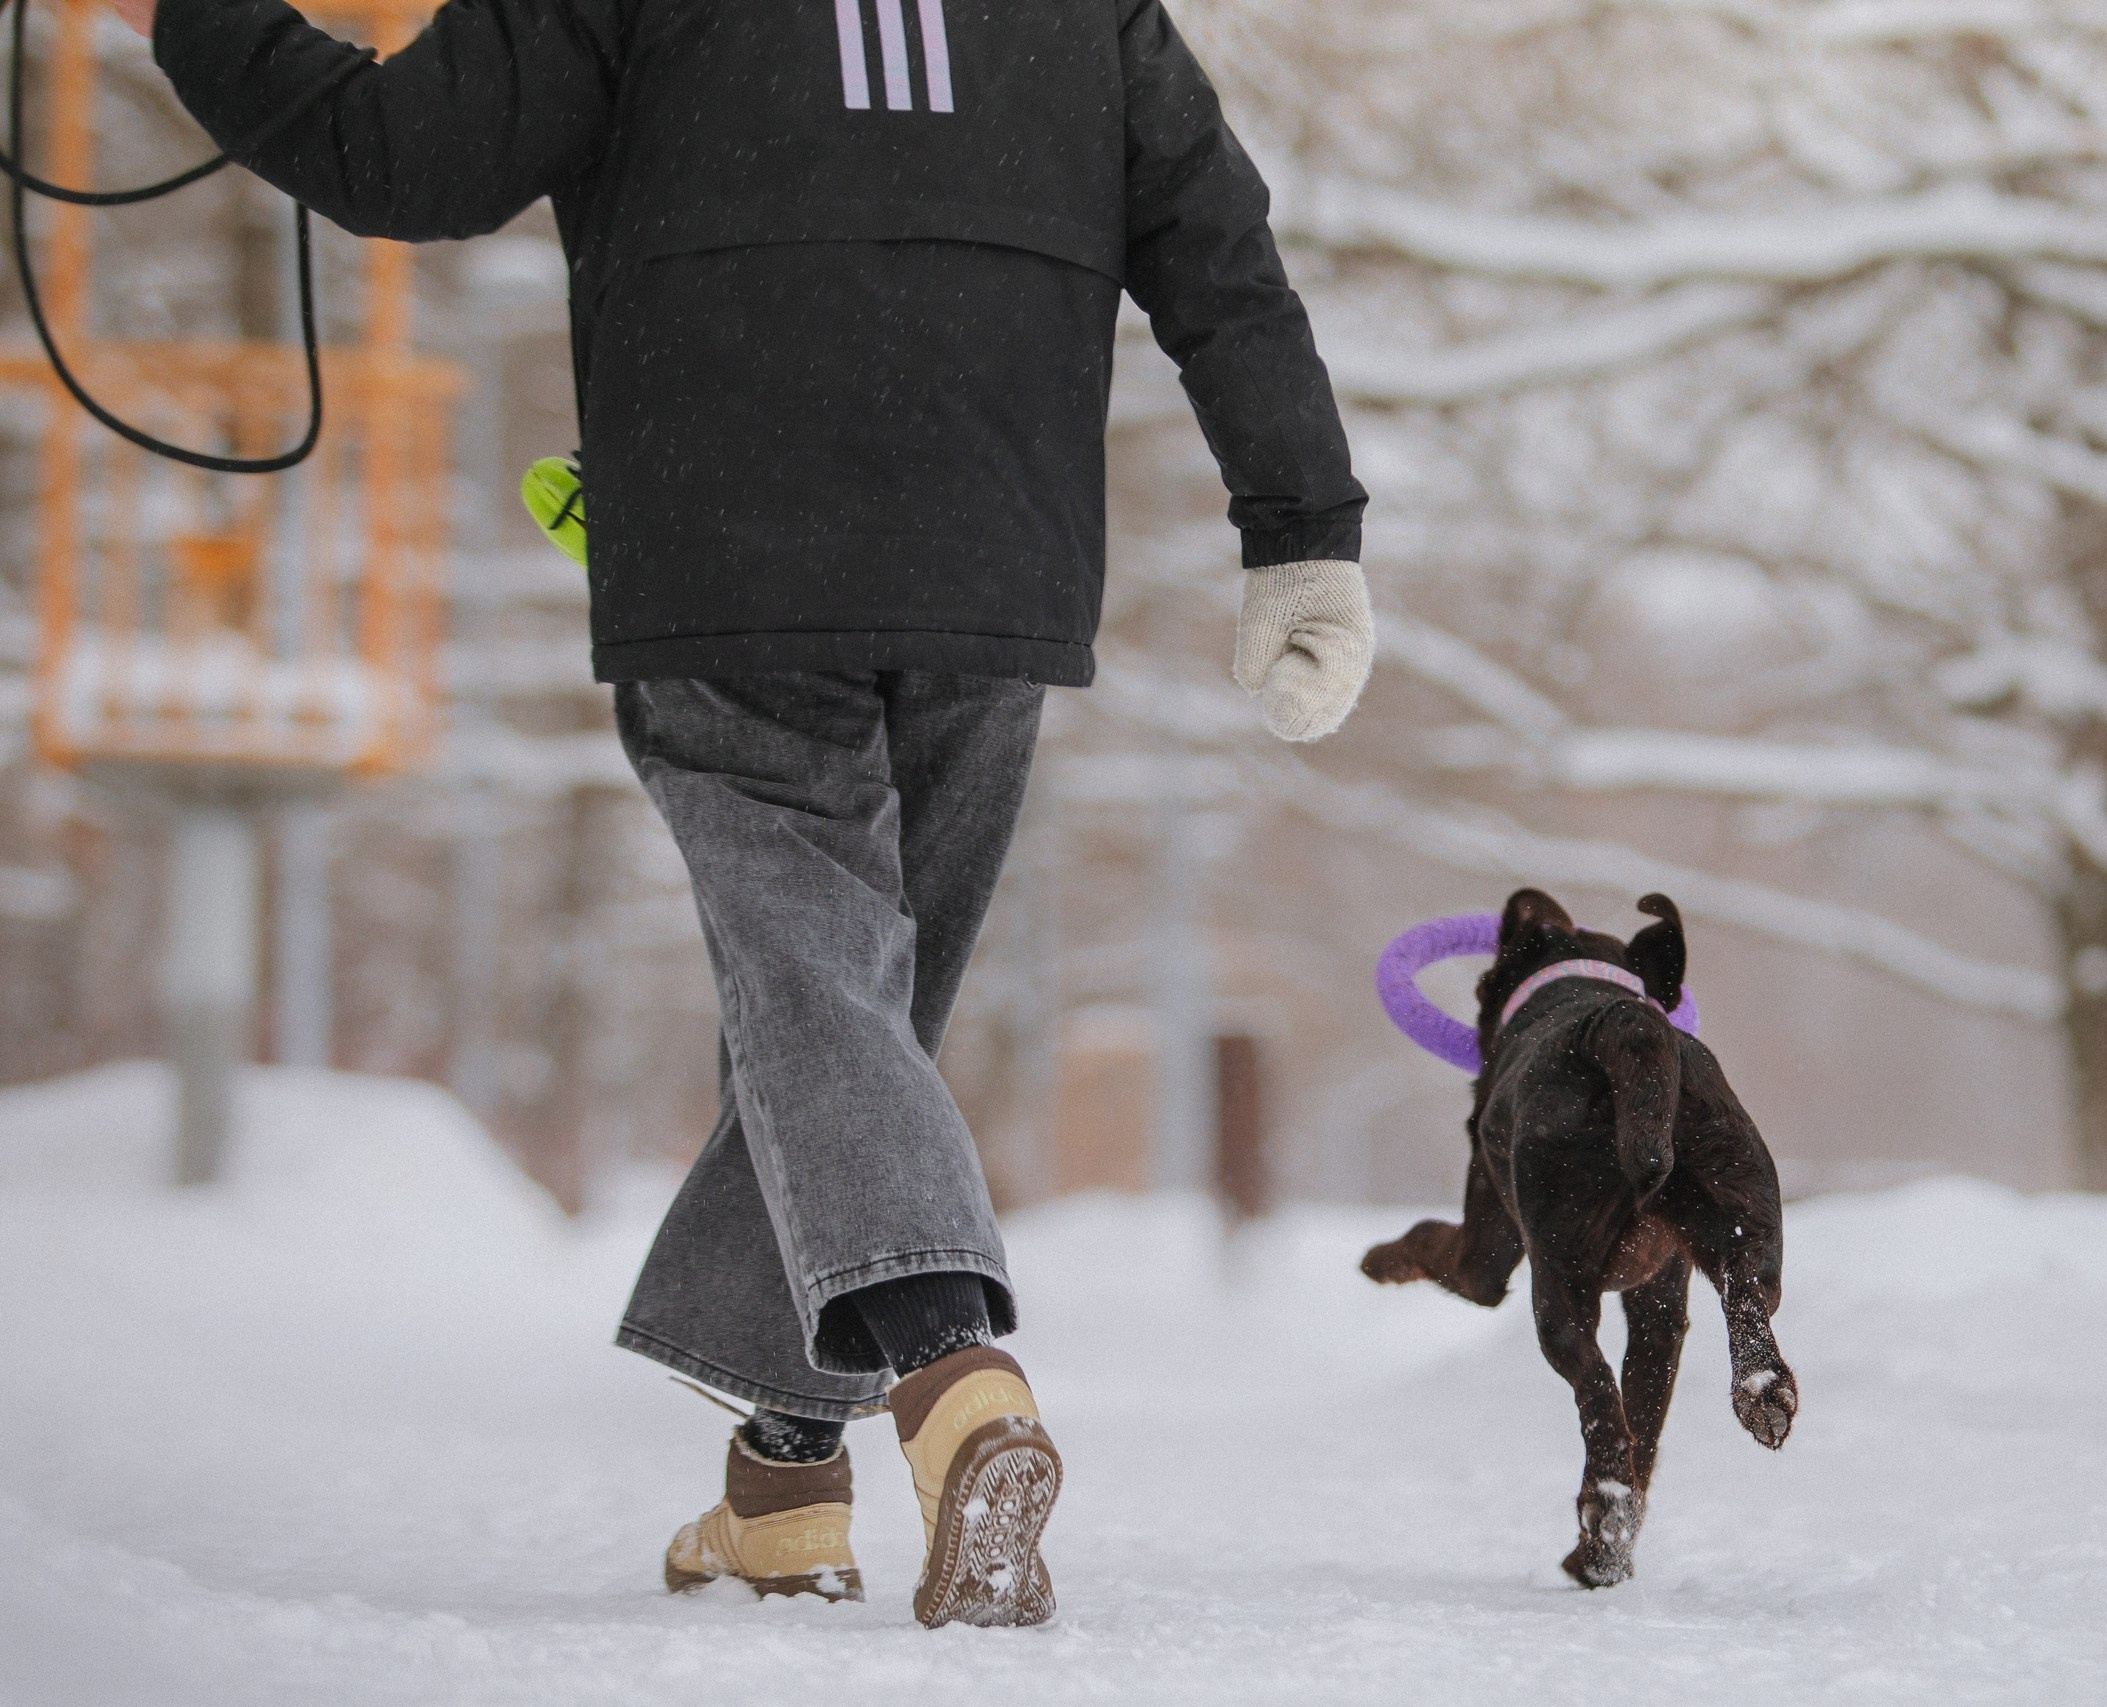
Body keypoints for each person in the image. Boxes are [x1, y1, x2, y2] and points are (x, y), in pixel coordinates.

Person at [116, 0, 1370, 1628]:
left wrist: (196, 18)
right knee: (850, 1011)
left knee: (816, 985)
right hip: (991, 558)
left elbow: (395, 157)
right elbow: (1219, 250)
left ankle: (951, 1375)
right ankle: (784, 1481)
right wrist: (1304, 528)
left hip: (731, 545)